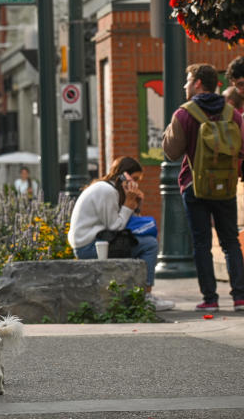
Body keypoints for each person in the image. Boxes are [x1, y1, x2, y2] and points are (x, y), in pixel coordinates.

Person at [162, 63, 244, 312]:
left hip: (194, 186)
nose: (184, 85)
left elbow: (172, 152)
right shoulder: (233, 114)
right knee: (231, 241)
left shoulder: (184, 114)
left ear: (198, 83)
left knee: (201, 244)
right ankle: (240, 297)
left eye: (187, 80)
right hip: (226, 186)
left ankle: (210, 298)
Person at [67, 156, 174, 311]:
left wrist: (134, 204)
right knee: (150, 245)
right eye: (135, 178)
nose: (136, 183)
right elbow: (115, 226)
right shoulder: (107, 191)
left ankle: (137, 293)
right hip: (90, 247)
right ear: (124, 175)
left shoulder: (108, 188)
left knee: (145, 240)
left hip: (95, 243)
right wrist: (128, 205)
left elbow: (125, 225)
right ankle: (146, 296)